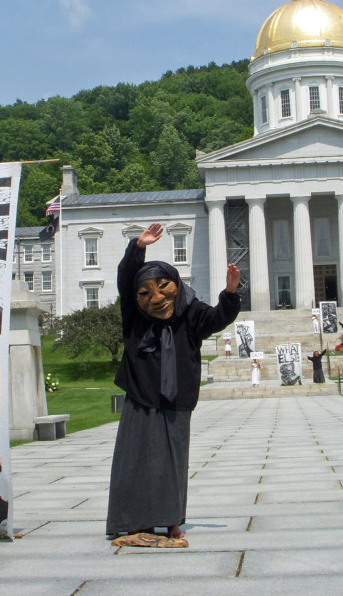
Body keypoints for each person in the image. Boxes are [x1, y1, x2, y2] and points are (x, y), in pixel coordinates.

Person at [106, 223, 240, 545]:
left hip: (176, 401)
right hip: (141, 397)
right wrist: (138, 247)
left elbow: (219, 317)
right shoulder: (135, 317)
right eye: (146, 293)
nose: (157, 298)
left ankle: (170, 523)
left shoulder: (190, 313)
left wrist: (231, 292)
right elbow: (127, 281)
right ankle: (136, 521)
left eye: (164, 286)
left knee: (171, 463)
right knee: (135, 461)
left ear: (176, 285)